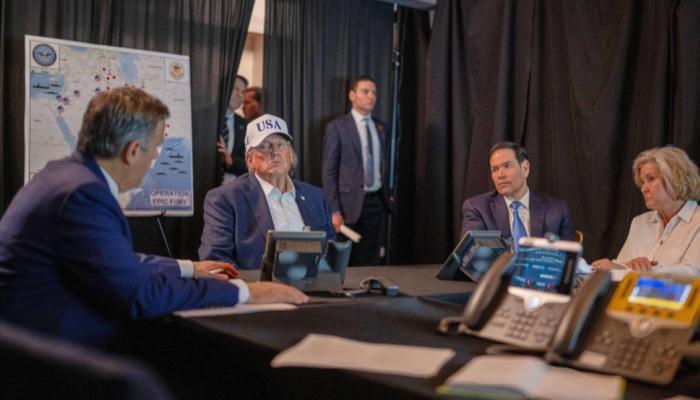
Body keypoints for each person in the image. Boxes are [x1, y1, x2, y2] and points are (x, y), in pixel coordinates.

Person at [0, 87, 307, 348]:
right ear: (133, 150)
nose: (156, 157)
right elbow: (140, 293)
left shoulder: (65, 176)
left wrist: (187, 267)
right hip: (52, 355)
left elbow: (116, 262)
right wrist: (245, 292)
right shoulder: (84, 195)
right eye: (157, 147)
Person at [199, 114, 335, 269]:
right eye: (264, 147)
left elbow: (331, 255)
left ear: (290, 155)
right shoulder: (225, 199)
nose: (274, 152)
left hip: (314, 283)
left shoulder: (316, 198)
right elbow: (216, 260)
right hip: (257, 284)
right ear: (250, 160)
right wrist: (257, 284)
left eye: (280, 145)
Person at [592, 146, 700, 276]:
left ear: (676, 178)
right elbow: (624, 266)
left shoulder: (697, 222)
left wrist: (644, 270)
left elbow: (693, 273)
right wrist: (612, 267)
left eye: (651, 179)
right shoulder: (640, 222)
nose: (644, 188)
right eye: (643, 182)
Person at [322, 76, 392, 266]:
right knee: (344, 261)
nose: (371, 96)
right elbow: (329, 172)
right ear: (352, 95)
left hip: (375, 202)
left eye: (374, 93)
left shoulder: (381, 127)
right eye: (365, 91)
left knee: (370, 258)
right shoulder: (337, 127)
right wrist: (334, 210)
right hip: (347, 205)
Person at [461, 141, 576, 248]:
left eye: (507, 166)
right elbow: (471, 254)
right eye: (495, 169)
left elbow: (569, 257)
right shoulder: (477, 208)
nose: (500, 175)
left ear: (525, 168)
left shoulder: (558, 210)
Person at [218, 74, 249, 184]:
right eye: (236, 89)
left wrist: (230, 160)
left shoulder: (245, 125)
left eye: (243, 92)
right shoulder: (208, 119)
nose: (239, 95)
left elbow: (250, 163)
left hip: (231, 187)